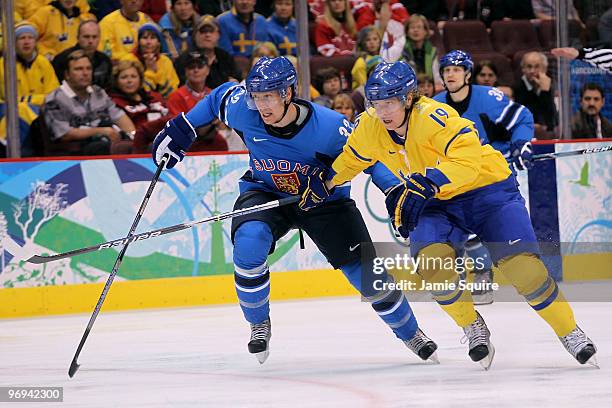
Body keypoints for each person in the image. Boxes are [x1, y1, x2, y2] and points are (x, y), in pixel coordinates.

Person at [301, 60, 597, 369]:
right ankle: (472, 326)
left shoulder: (433, 117)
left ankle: (569, 331)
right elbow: (353, 158)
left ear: (408, 97)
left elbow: (468, 161)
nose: (383, 111)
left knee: (525, 272)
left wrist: (429, 182)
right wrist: (329, 182)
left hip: (487, 190)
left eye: (389, 102)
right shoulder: (370, 126)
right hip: (436, 201)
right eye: (376, 103)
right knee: (432, 266)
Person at [150, 56, 439, 364]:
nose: (261, 106)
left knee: (366, 273)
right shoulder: (243, 110)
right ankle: (258, 323)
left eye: (269, 97)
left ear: (288, 93)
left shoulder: (329, 128)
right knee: (249, 243)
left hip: (324, 201)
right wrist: (184, 126)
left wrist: (394, 190)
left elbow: (370, 158)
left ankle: (411, 333)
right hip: (265, 191)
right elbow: (218, 96)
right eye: (257, 97)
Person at [433, 50, 535, 304]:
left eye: (456, 69)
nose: (451, 74)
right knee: (459, 226)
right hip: (456, 175)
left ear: (467, 74)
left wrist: (521, 143)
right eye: (447, 70)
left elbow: (521, 118)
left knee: (499, 226)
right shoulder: (434, 105)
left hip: (490, 175)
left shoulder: (487, 98)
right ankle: (480, 270)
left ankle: (510, 272)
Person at [44, 50, 136, 155]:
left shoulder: (98, 92)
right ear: (67, 74)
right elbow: (64, 134)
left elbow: (118, 117)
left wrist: (133, 136)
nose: (85, 73)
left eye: (88, 68)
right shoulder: (55, 99)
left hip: (103, 144)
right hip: (73, 153)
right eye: (78, 69)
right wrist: (101, 131)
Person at [0, 23, 59, 150]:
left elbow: (54, 95)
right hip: (7, 109)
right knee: (18, 111)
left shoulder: (44, 63)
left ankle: (6, 144)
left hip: (40, 108)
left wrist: (25, 100)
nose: (26, 42)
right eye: (22, 38)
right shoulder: (3, 65)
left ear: (35, 42)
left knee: (25, 110)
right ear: (14, 43)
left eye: (30, 38)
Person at [165, 52, 229, 152]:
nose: (196, 70)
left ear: (208, 70)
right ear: (186, 71)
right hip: (188, 145)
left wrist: (222, 123)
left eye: (200, 66)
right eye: (191, 67)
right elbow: (177, 128)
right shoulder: (176, 96)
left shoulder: (214, 94)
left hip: (214, 139)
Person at [174, 14, 242, 87]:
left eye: (211, 31)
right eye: (203, 31)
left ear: (218, 35)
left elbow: (238, 79)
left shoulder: (225, 57)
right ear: (194, 35)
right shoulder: (184, 59)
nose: (207, 35)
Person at [123, 23, 180, 99]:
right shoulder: (128, 60)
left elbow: (172, 89)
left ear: (158, 43)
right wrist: (150, 71)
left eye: (153, 38)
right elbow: (137, 92)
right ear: (138, 42)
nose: (148, 42)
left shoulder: (165, 61)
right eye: (144, 38)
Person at [53, 20, 113, 89]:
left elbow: (108, 88)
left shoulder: (105, 60)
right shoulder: (62, 59)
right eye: (86, 37)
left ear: (99, 38)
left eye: (94, 37)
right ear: (78, 38)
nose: (91, 41)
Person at [29, 0, 96, 60]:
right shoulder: (47, 12)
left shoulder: (83, 19)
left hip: (73, 63)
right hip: (49, 61)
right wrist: (44, 53)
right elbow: (28, 35)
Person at [513, 51, 557, 136]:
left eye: (537, 67)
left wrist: (545, 91)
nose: (532, 71)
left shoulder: (547, 86)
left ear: (544, 69)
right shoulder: (517, 88)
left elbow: (552, 118)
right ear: (523, 69)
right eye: (529, 67)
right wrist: (544, 92)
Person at [402, 14, 442, 90]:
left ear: (426, 31)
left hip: (430, 88)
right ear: (407, 32)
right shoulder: (402, 51)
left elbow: (437, 77)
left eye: (419, 27)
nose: (415, 30)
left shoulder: (433, 51)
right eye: (412, 27)